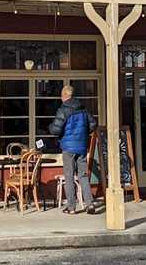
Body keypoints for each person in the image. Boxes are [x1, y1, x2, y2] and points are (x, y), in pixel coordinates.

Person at [48, 84, 96, 214]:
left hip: (68, 148)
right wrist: (83, 133)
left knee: (69, 176)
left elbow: (56, 130)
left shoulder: (63, 110)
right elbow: (93, 125)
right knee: (83, 176)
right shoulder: (83, 109)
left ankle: (71, 207)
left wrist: (50, 127)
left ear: (64, 96)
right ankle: (90, 204)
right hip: (81, 147)